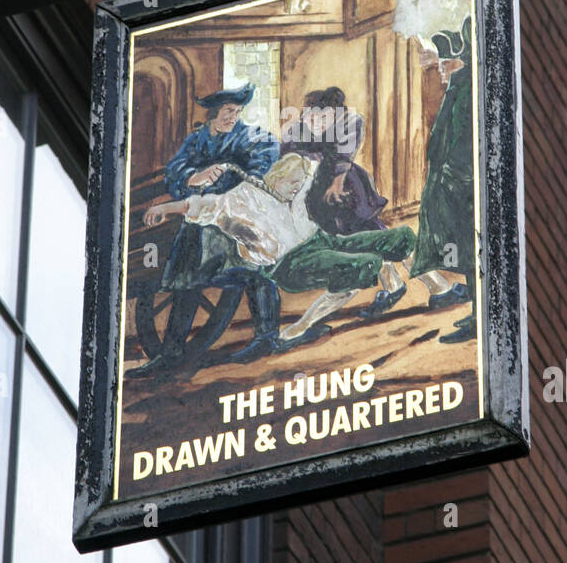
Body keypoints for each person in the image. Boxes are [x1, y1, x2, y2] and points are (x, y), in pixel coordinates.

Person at [147, 153, 417, 351]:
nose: (297, 189)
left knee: (395, 238)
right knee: (362, 264)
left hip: (320, 241)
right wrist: (163, 209)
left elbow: (315, 168)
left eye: (300, 183)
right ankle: (298, 329)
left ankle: (426, 285)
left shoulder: (296, 190)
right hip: (289, 264)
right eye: (292, 183)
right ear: (277, 176)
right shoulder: (242, 198)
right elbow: (199, 205)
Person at [126, 82, 280, 376]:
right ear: (213, 114)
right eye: (227, 111)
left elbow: (265, 158)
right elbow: (176, 171)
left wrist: (235, 174)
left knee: (249, 273)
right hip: (198, 219)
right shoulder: (196, 141)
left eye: (237, 111)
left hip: (233, 217)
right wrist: (194, 177)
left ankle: (266, 335)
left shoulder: (249, 138)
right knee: (185, 281)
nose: (232, 117)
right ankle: (170, 352)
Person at [282, 87, 407, 320]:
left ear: (335, 116)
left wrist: (336, 179)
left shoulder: (347, 126)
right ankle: (396, 285)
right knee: (356, 240)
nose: (317, 122)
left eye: (324, 117)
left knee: (370, 234)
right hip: (317, 196)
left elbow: (343, 156)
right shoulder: (295, 132)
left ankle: (402, 285)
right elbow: (288, 158)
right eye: (311, 116)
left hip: (347, 190)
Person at [411, 18, 477, 343]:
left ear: (459, 61)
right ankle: (476, 315)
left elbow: (464, 140)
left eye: (445, 63)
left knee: (470, 252)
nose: (440, 69)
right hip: (450, 186)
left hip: (461, 189)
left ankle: (480, 317)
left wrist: (453, 177)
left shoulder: (465, 90)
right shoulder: (456, 87)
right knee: (463, 254)